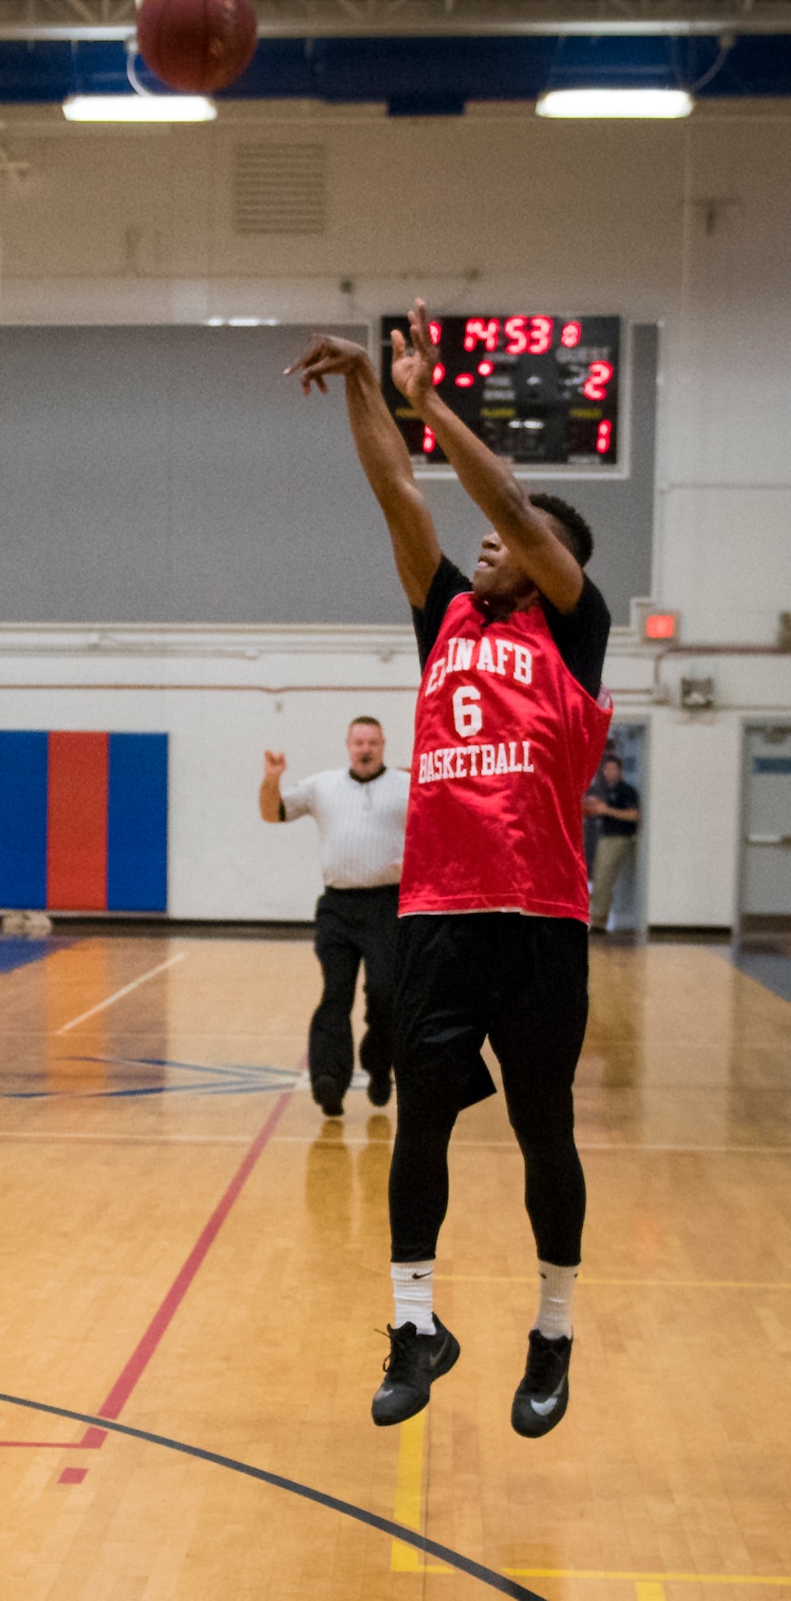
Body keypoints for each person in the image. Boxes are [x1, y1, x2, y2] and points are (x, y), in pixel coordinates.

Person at [291, 300, 612, 1441]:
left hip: (537, 918)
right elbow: (400, 495)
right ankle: (414, 1322)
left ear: (550, 564)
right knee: (417, 1118)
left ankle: (554, 1328)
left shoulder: (571, 631)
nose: (483, 544)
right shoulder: (446, 622)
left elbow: (511, 506)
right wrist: (366, 394)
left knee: (542, 1128)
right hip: (435, 912)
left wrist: (432, 400)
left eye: (508, 543)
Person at [259, 719, 408, 1116]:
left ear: (383, 745)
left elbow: (442, 831)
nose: (366, 748)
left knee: (385, 993)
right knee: (335, 992)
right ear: (347, 744)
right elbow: (272, 813)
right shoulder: (322, 785)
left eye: (373, 742)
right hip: (338, 908)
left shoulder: (405, 787)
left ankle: (379, 1067)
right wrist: (272, 779)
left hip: (387, 907)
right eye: (359, 742)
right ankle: (328, 1079)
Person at [585, 752, 640, 932]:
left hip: (618, 839)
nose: (610, 772)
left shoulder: (626, 790)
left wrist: (607, 810)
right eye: (606, 769)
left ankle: (599, 922)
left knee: (603, 880)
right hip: (605, 838)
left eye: (613, 768)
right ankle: (598, 918)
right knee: (600, 879)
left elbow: (633, 815)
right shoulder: (606, 791)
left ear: (620, 770)